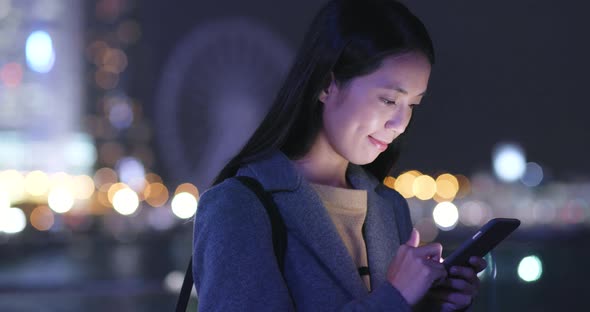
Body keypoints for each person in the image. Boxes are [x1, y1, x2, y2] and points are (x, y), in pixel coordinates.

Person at [192, 0, 487, 310]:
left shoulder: (389, 207)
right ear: (326, 84)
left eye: (412, 105)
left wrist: (430, 304)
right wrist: (396, 297)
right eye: (388, 100)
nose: (400, 124)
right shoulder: (239, 206)